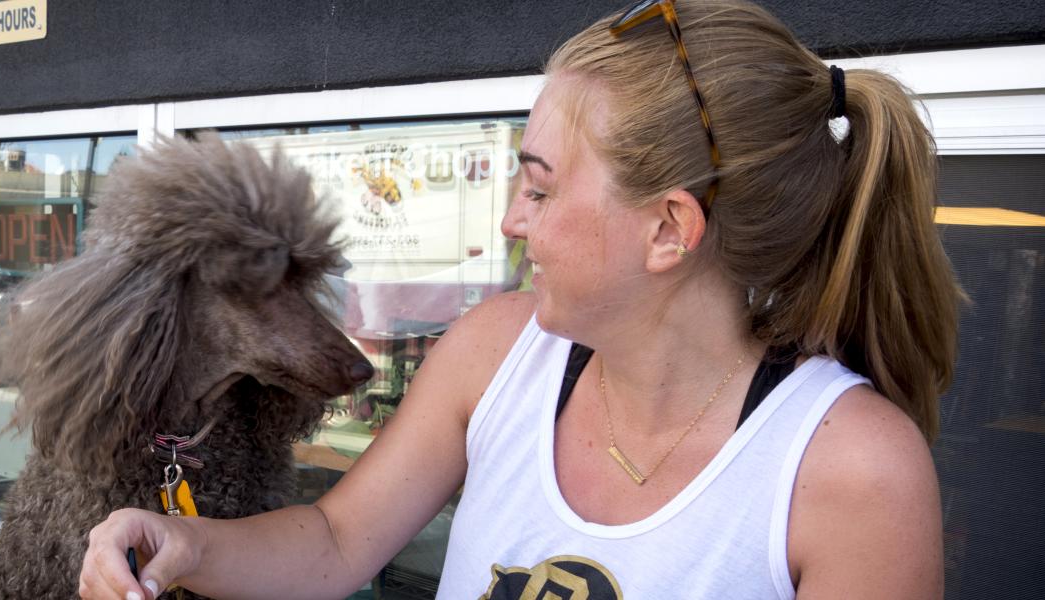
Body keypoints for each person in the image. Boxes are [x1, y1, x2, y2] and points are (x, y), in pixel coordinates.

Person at [78, 0, 958, 597]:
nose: (509, 221)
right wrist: (187, 544)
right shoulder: (494, 353)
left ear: (668, 230)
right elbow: (336, 544)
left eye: (538, 189)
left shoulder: (852, 473)